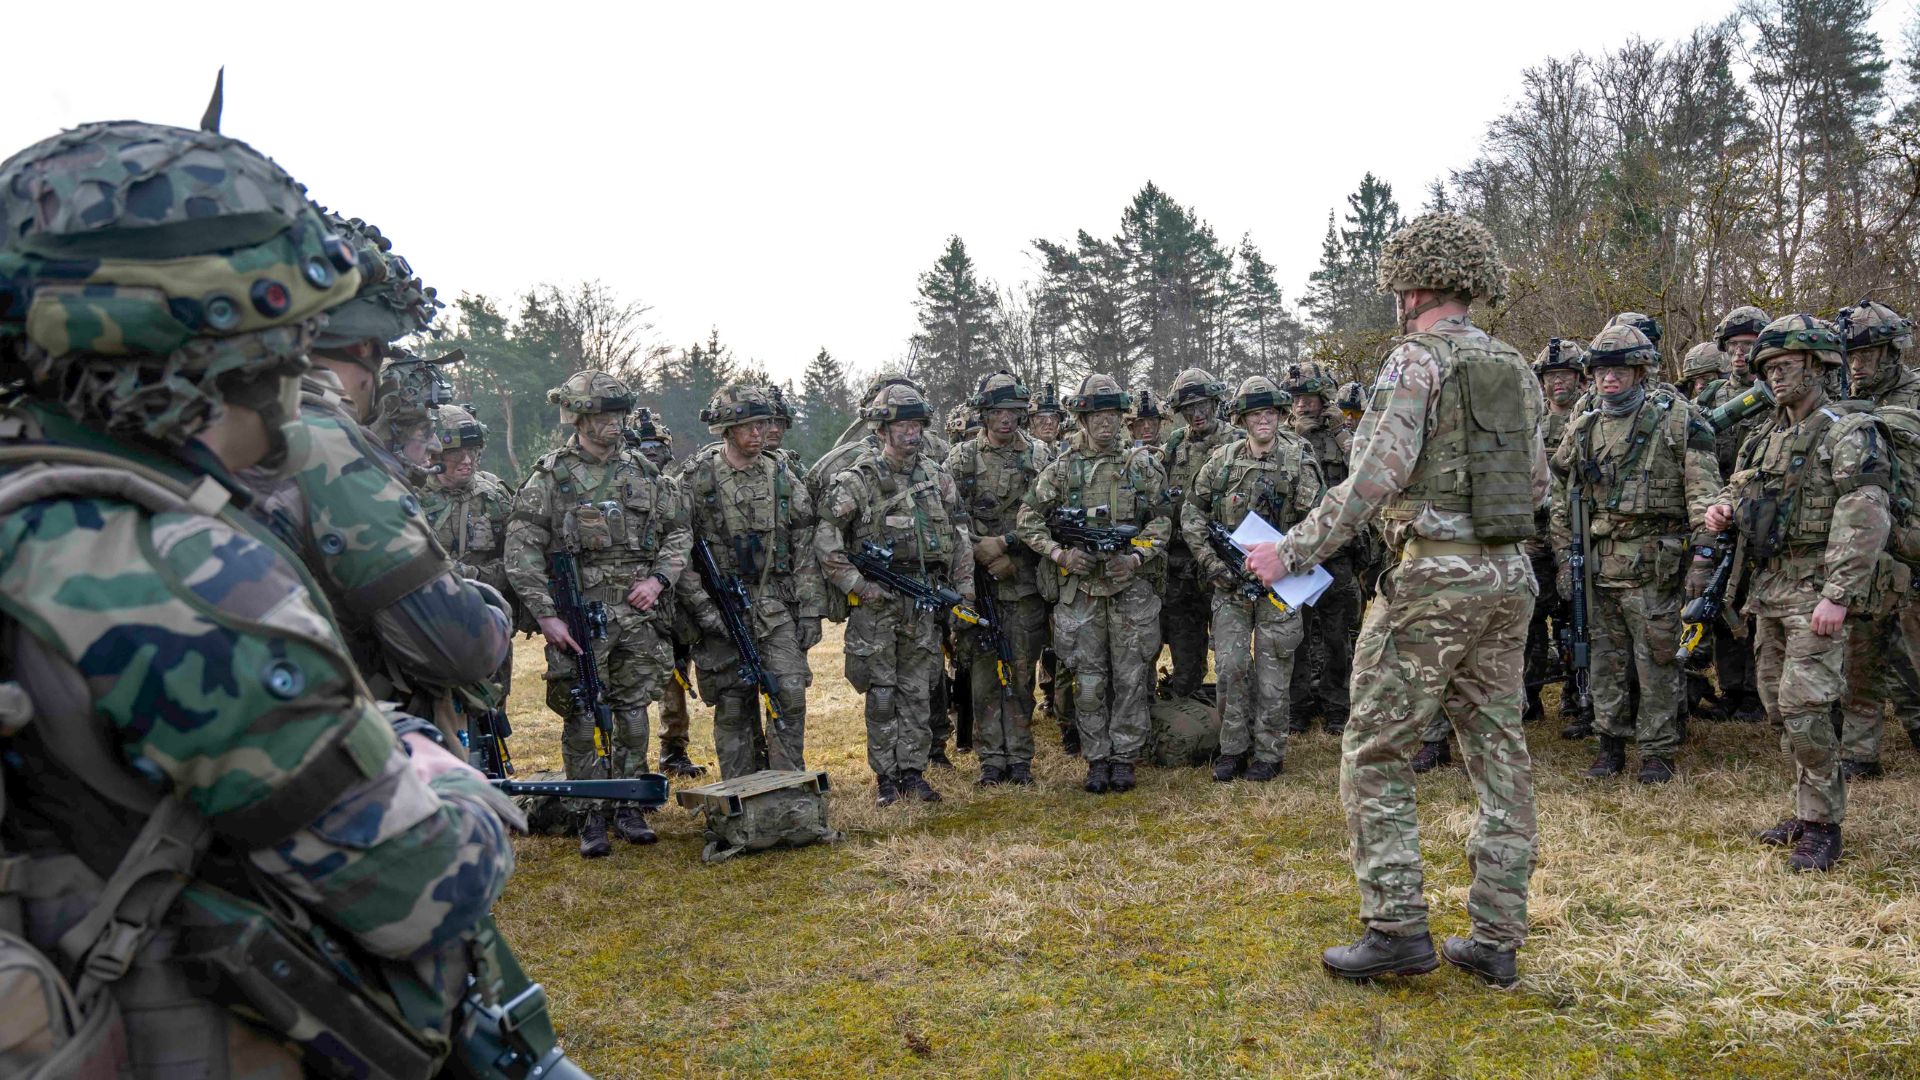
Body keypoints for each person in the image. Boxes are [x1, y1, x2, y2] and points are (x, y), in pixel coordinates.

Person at [0, 118, 521, 1076]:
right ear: (231, 348)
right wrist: (430, 764)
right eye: (292, 336)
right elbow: (420, 883)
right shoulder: (165, 569)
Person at [1245, 212, 1544, 987]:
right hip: (1508, 576)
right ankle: (1496, 938)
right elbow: (1538, 484)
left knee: (1375, 747)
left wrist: (1293, 550)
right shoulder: (1515, 365)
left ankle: (1397, 927)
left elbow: (1373, 475)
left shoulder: (1415, 360)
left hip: (1435, 580)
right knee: (1499, 751)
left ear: (1412, 287)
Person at [242, 215, 511, 743]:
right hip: (344, 757)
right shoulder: (322, 445)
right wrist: (491, 608)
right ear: (366, 347)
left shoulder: (215, 428)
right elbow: (458, 647)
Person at [1703, 315, 1893, 871]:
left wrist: (1837, 594)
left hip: (1815, 589)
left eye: (1785, 367)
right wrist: (1723, 508)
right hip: (1769, 587)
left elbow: (1865, 515)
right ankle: (1805, 806)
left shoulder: (1848, 432)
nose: (1775, 377)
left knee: (1807, 706)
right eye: (1768, 369)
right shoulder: (1767, 434)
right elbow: (1741, 489)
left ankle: (1823, 824)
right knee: (1777, 704)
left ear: (1818, 365)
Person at [505, 370, 692, 857]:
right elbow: (522, 548)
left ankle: (628, 804)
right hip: (578, 615)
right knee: (583, 711)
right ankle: (589, 813)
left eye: (618, 414)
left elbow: (679, 532)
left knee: (633, 712)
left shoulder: (645, 474)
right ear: (579, 417)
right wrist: (546, 615)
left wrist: (659, 580)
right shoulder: (551, 477)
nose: (614, 423)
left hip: (636, 614)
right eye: (603, 414)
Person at [1551, 324, 1721, 785]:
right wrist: (1566, 557)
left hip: (1654, 566)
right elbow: (1563, 497)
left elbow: (1702, 492)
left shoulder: (1677, 421)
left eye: (1620, 369)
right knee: (1605, 661)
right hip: (1599, 564)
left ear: (1641, 370)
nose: (1610, 378)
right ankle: (1609, 743)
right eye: (1603, 369)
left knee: (1658, 660)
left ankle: (1657, 750)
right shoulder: (1584, 427)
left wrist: (1703, 559)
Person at [815, 383, 976, 805]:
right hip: (877, 603)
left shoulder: (937, 477)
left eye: (917, 425)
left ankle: (913, 771)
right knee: (882, 693)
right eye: (902, 425)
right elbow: (826, 541)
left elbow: (959, 536)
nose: (911, 433)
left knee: (918, 690)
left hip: (922, 601)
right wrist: (859, 586)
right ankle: (886, 777)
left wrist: (963, 592)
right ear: (882, 430)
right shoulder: (859, 481)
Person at [1017, 374, 1173, 794]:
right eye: (1095, 415)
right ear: (1081, 419)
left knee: (1130, 678)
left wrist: (1137, 555)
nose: (1104, 423)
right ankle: (1096, 758)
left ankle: (1124, 758)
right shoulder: (1062, 469)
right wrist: (1060, 554)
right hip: (1081, 591)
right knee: (1087, 682)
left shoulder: (1140, 465)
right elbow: (1028, 519)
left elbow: (1162, 520)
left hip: (1128, 589)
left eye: (1111, 414)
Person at [676, 383, 824, 778]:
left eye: (763, 425)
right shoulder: (695, 481)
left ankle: (789, 785)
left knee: (789, 692)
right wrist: (706, 613)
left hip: (775, 604)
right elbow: (678, 551)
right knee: (734, 702)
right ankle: (741, 792)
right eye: (748, 426)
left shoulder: (782, 476)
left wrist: (810, 611)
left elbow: (806, 542)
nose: (758, 433)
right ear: (726, 430)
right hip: (720, 608)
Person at [1182, 377, 1322, 781]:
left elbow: (1319, 522)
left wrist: (1288, 559)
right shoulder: (1223, 460)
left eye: (1270, 413)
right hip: (1230, 581)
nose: (1264, 420)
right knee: (1230, 667)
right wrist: (1212, 563)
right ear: (1243, 419)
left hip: (1281, 582)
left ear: (1280, 416)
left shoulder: (1299, 459)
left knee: (1275, 670)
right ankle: (1232, 749)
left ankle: (1269, 752)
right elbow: (1192, 513)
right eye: (1255, 414)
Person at [946, 372, 1055, 785]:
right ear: (984, 413)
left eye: (1011, 412)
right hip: (978, 585)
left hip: (1024, 581)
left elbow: (1051, 517)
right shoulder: (960, 460)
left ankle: (1020, 760)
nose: (1005, 420)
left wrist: (1008, 546)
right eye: (996, 412)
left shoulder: (1041, 457)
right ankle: (991, 760)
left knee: (1021, 672)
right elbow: (950, 518)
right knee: (983, 673)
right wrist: (983, 554)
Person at [1836, 300, 1920, 772]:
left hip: (1914, 541)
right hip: (1870, 543)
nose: (1857, 365)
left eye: (1866, 354)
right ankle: (1860, 752)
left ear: (1893, 352)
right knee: (1861, 650)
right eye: (1851, 355)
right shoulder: (1841, 402)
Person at [1695, 305, 1774, 724]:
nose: (1741, 355)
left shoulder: (1780, 390)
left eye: (1748, 346)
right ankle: (1733, 689)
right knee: (1724, 601)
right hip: (1723, 512)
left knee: (1762, 604)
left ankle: (1761, 692)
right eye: (1734, 348)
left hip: (1767, 514)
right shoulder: (1710, 398)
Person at [628, 408, 709, 777]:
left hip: (673, 600)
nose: (653, 453)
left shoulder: (676, 490)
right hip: (629, 601)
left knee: (675, 675)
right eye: (645, 446)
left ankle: (673, 749)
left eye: (659, 447)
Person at [1283, 361, 1362, 736]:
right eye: (1297, 398)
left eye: (1309, 398)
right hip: (1296, 551)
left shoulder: (1340, 437)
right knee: (1295, 634)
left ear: (1324, 398)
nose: (1302, 406)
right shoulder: (1285, 438)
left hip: (1336, 551)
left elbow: (1364, 468)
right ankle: (1297, 706)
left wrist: (1341, 430)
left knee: (1336, 635)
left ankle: (1336, 706)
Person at [1158, 368, 1234, 701]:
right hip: (1183, 568)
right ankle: (1189, 719)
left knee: (1232, 656)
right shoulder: (1174, 446)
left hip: (1223, 562)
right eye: (1189, 408)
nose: (1197, 413)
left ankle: (1233, 718)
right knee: (1185, 658)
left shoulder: (1237, 443)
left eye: (1203, 405)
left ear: (1216, 403)